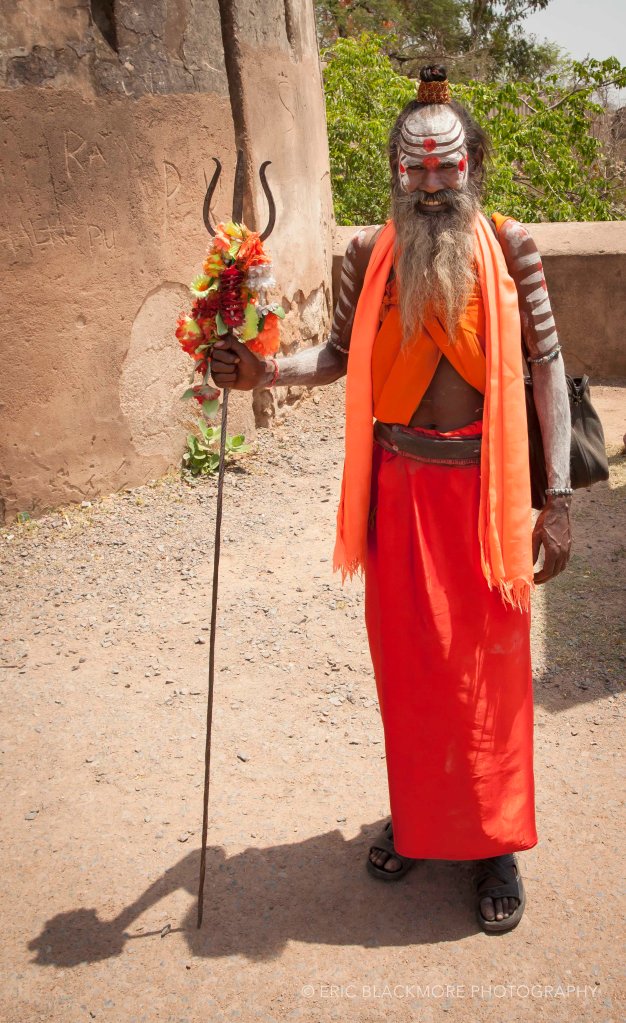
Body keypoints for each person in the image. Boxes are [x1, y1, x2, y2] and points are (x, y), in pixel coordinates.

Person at [210, 65, 572, 935]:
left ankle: (493, 843)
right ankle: (417, 819)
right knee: (410, 676)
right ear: (396, 170)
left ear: (474, 162)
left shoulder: (514, 248)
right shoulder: (365, 255)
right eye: (417, 168)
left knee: (487, 680)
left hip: (487, 498)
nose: (433, 186)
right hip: (400, 493)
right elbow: (337, 356)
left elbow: (548, 368)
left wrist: (558, 498)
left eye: (448, 167)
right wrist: (264, 370)